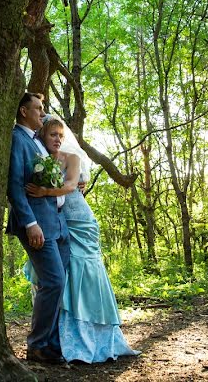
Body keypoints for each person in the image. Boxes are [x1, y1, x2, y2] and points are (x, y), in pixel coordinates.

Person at [25, 115, 140, 363]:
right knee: (61, 276)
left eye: (60, 135)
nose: (57, 139)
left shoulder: (73, 158)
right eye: (52, 134)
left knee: (86, 274)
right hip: (58, 223)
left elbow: (69, 186)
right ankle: (58, 338)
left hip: (81, 221)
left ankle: (90, 337)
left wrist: (45, 190)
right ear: (43, 135)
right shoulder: (40, 160)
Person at [5, 92, 70, 365]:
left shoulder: (38, 142)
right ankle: (37, 345)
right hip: (36, 224)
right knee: (52, 281)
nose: (42, 113)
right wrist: (30, 224)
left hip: (57, 224)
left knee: (60, 283)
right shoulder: (17, 139)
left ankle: (52, 343)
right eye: (38, 108)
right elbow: (15, 185)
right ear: (23, 111)